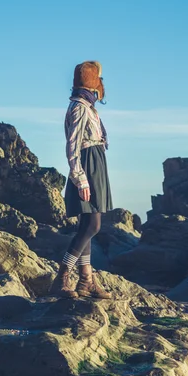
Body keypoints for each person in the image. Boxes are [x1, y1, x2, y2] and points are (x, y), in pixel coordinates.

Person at [50, 61, 113, 299]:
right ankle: (62, 276)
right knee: (93, 226)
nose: (102, 84)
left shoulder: (88, 106)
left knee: (87, 224)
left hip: (95, 162)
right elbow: (72, 144)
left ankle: (86, 280)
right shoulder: (79, 107)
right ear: (92, 81)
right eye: (99, 79)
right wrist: (80, 178)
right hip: (86, 164)